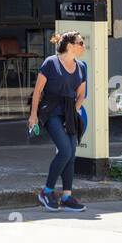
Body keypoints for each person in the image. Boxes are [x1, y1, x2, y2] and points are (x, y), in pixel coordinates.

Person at [28, 31, 88, 212]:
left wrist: (74, 112)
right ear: (70, 46)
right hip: (51, 111)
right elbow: (38, 92)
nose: (83, 46)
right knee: (65, 151)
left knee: (71, 153)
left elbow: (81, 94)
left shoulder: (81, 67)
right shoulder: (51, 63)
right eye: (81, 43)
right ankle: (46, 192)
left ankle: (67, 196)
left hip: (69, 113)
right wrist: (33, 116)